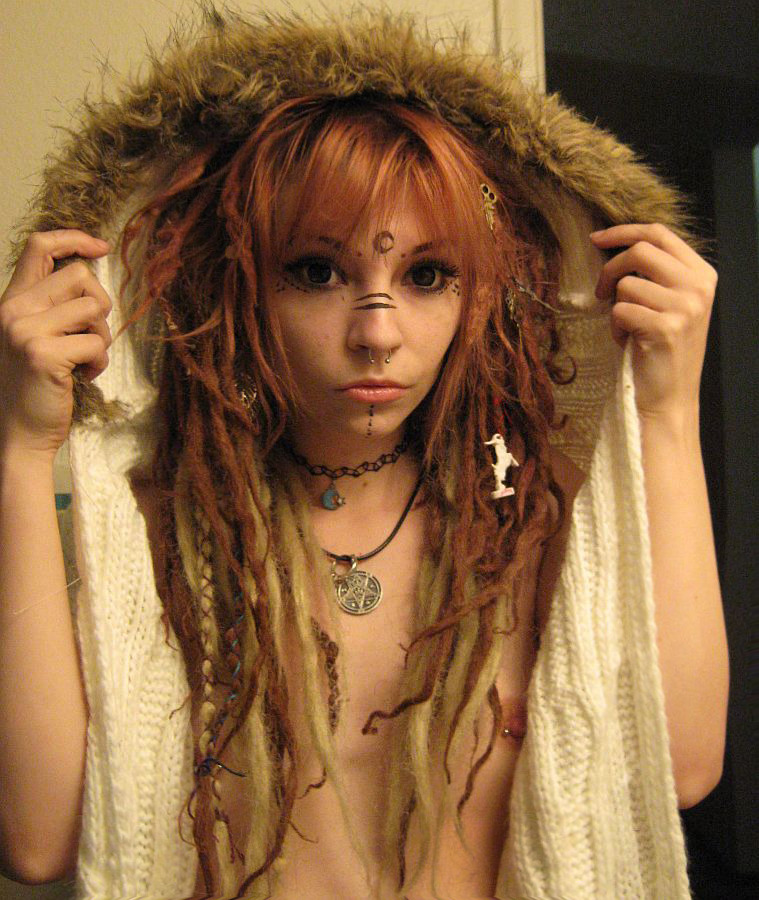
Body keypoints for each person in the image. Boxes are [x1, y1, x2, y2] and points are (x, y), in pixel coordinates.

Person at [0, 8, 728, 900]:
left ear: (475, 295)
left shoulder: (525, 519)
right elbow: (36, 840)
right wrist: (21, 447)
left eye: (425, 275)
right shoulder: (160, 527)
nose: (377, 334)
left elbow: (680, 765)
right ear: (240, 286)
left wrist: (665, 411)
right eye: (317, 270)